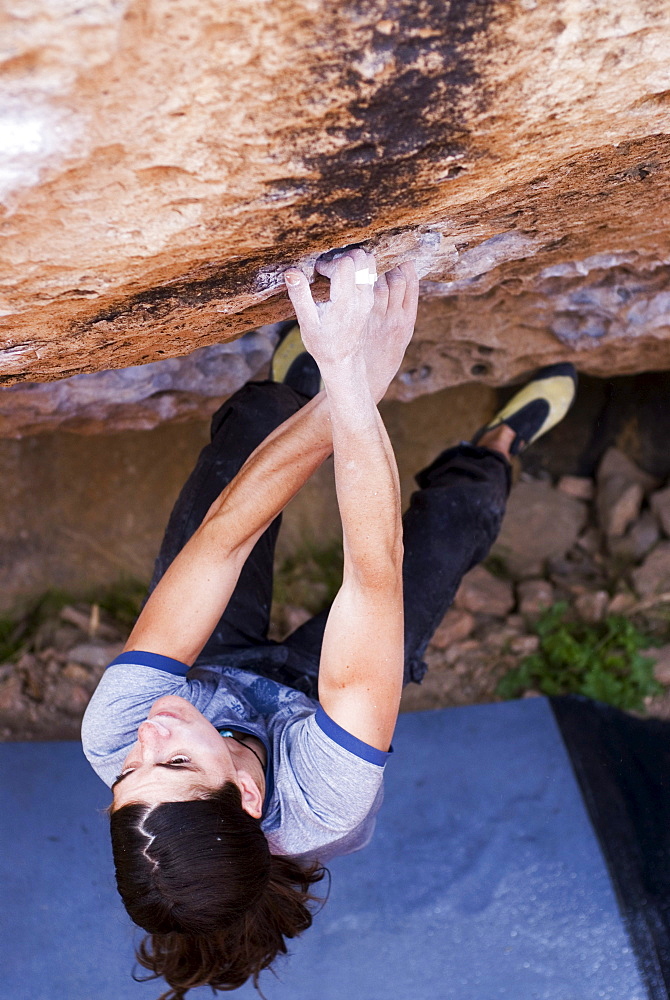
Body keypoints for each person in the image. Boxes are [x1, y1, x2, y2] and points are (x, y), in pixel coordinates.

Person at [81, 247, 577, 1000]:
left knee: (247, 438)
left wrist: (346, 383)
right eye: (175, 763)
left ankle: (295, 383)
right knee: (449, 528)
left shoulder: (119, 733)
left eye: (128, 774)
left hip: (221, 669)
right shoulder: (324, 800)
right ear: (246, 798)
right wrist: (354, 385)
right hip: (320, 702)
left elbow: (225, 536)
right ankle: (499, 445)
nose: (149, 738)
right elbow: (373, 574)